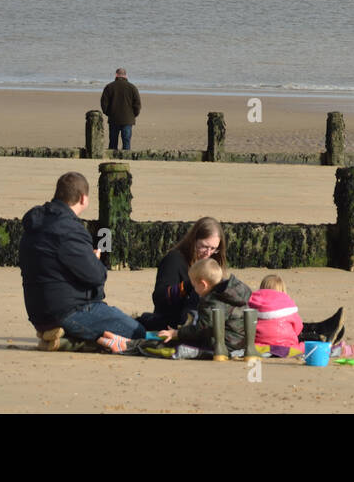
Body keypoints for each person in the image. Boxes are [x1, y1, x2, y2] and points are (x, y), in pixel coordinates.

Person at [137, 217, 346, 343]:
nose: (208, 253)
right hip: (180, 321)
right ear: (193, 240)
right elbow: (159, 298)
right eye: (204, 246)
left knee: (244, 313)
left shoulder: (211, 260)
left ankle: (314, 329)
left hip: (208, 317)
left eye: (213, 248)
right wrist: (191, 286)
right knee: (244, 328)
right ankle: (312, 334)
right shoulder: (174, 260)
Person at [19, 171, 145, 353]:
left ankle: (60, 335)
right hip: (66, 311)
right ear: (83, 198)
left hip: (37, 312)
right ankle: (69, 342)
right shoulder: (70, 230)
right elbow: (96, 277)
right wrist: (94, 260)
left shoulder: (33, 225)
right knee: (136, 331)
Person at [250, 274, 354, 358]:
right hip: (287, 347)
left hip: (260, 346)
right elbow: (298, 328)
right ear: (283, 292)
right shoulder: (287, 306)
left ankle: (324, 331)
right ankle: (338, 347)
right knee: (311, 347)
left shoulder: (253, 305)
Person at [159, 258, 253, 356]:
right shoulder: (232, 292)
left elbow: (202, 329)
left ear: (203, 285)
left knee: (181, 345)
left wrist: (177, 333)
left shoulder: (213, 302)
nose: (194, 289)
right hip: (243, 342)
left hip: (224, 345)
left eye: (194, 286)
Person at [101, 68, 141, 151]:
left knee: (113, 142)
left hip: (114, 118)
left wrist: (109, 113)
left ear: (116, 75)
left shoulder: (109, 87)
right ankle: (126, 159)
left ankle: (112, 159)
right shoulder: (132, 87)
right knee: (126, 142)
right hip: (128, 119)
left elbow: (104, 104)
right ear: (125, 75)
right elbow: (137, 105)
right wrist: (133, 115)